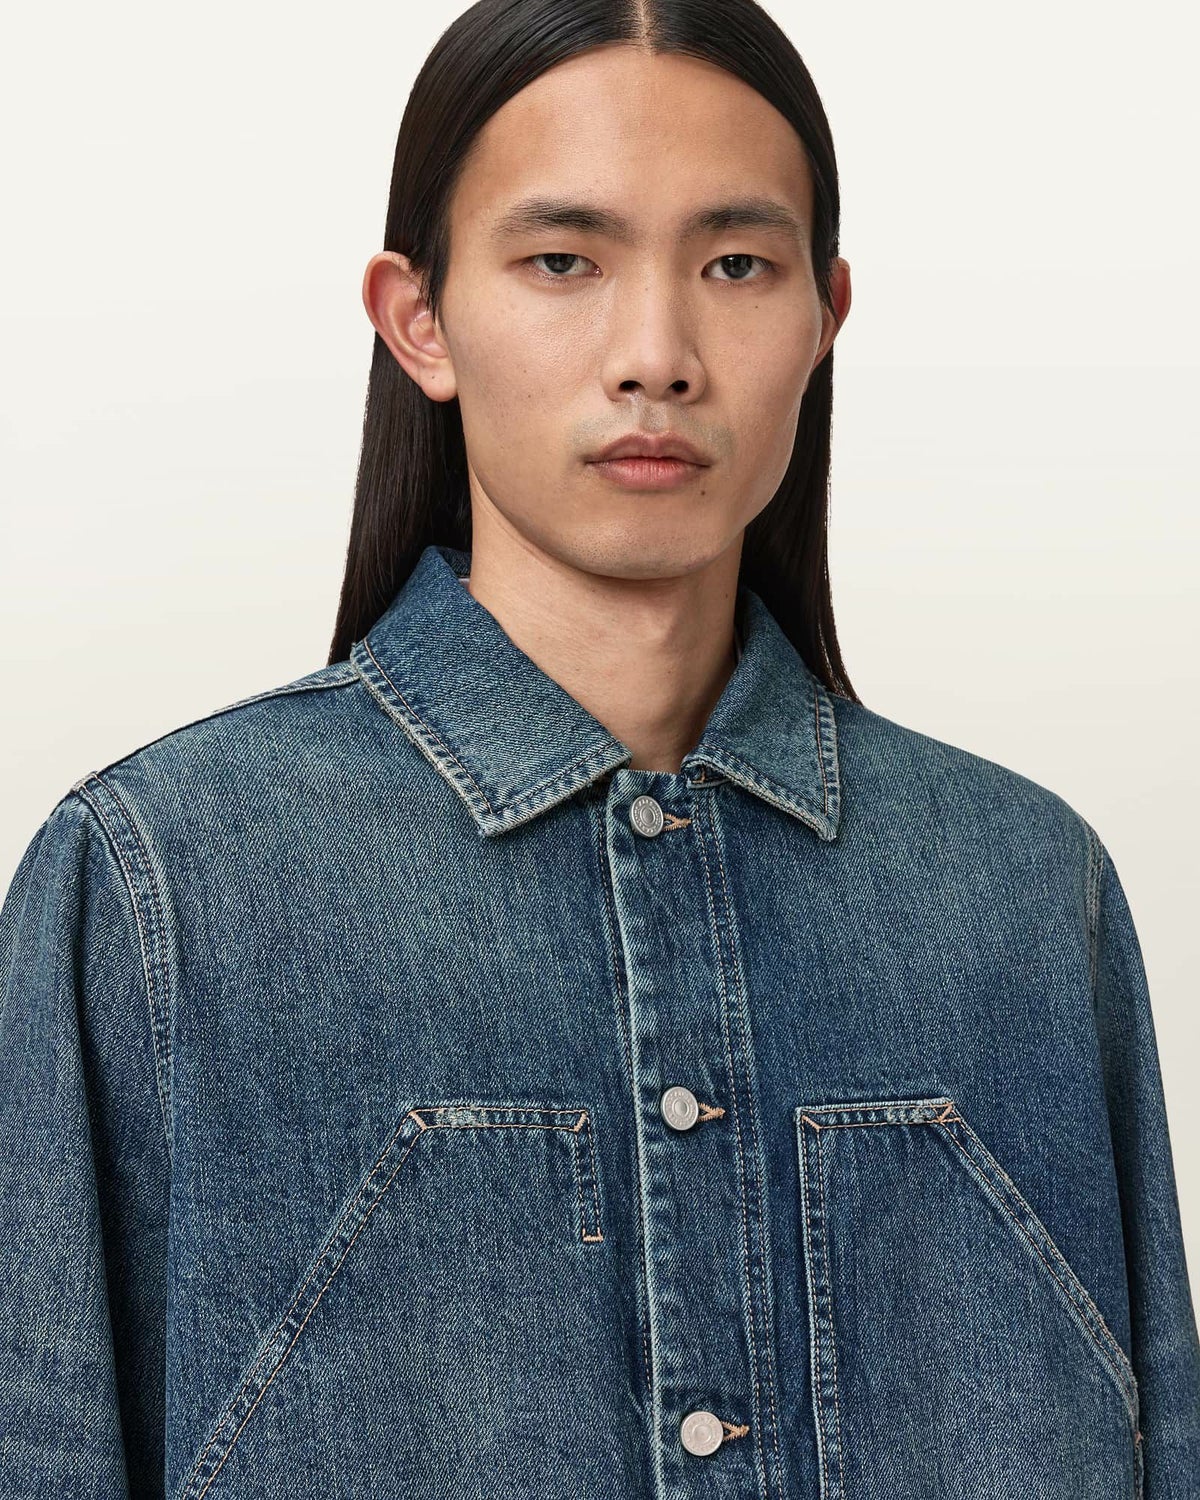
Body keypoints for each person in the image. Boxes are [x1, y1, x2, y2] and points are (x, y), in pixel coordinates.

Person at [2, 0, 1196, 1495]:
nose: (657, 356)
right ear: (418, 319)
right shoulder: (160, 886)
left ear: (825, 315)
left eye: (736, 265)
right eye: (563, 261)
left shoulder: (1022, 892)